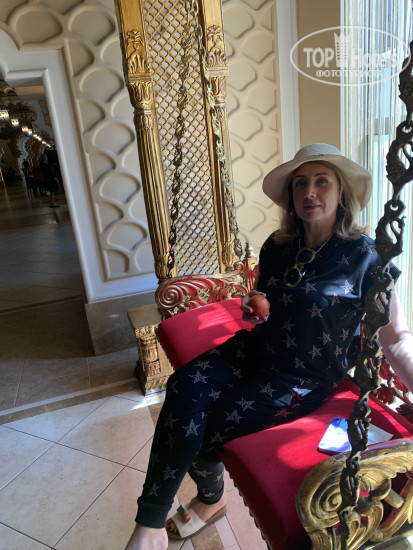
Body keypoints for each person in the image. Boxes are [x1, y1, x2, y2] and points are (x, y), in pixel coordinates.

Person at [125, 143, 413, 550]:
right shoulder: (278, 245)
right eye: (300, 184)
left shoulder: (368, 257)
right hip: (253, 350)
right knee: (183, 386)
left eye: (322, 181)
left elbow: (397, 338)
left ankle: (209, 499)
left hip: (302, 377)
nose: (309, 192)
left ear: (341, 193)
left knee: (204, 429)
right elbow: (263, 298)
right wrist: (254, 305)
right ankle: (151, 522)